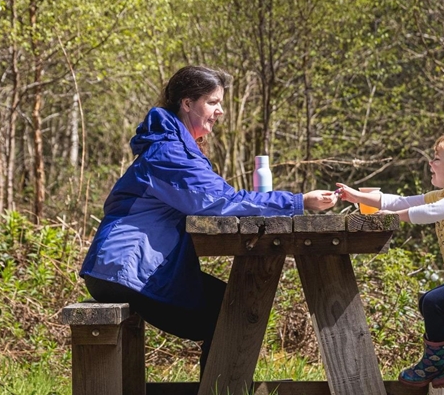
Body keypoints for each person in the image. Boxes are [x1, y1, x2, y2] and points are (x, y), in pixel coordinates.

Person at [79, 65, 338, 375]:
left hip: (125, 268)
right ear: (187, 103)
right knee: (235, 308)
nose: (221, 111)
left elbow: (218, 197)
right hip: (124, 270)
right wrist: (297, 201)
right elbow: (218, 203)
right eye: (213, 102)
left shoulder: (174, 148)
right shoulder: (168, 153)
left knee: (233, 302)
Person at [335, 134, 444, 388]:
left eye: (436, 159)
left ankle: (436, 361)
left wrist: (395, 217)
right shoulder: (443, 194)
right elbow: (401, 201)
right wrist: (357, 197)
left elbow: (429, 213)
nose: (430, 163)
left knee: (433, 301)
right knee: (428, 300)